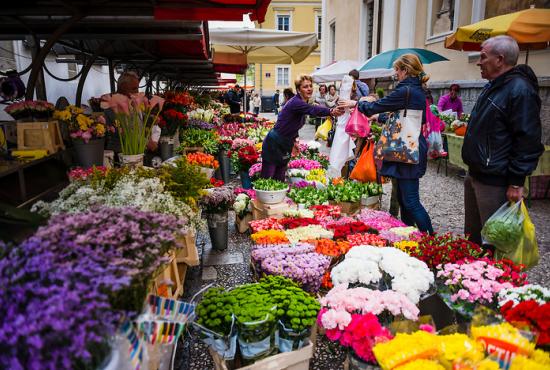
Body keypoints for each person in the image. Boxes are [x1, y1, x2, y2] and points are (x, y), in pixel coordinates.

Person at [462, 35, 543, 246]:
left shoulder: (520, 90)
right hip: (477, 174)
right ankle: (470, 277)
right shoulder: (494, 85)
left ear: (499, 59)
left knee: (495, 243)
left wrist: (516, 182)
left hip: (495, 181)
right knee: (473, 239)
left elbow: (528, 141)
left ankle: (493, 278)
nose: (479, 61)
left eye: (483, 57)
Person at [339, 54, 434, 234]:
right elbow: (403, 117)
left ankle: (430, 238)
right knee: (405, 200)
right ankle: (410, 234)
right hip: (409, 146)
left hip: (407, 149)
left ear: (405, 70)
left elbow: (378, 105)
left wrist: (357, 103)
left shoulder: (406, 90)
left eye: (397, 70)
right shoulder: (414, 90)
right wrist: (379, 117)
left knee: (411, 200)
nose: (395, 74)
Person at [261, 75, 343, 181]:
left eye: (310, 86)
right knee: (267, 178)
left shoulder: (302, 102)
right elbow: (312, 110)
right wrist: (330, 111)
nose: (309, 89)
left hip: (285, 143)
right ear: (299, 90)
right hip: (274, 143)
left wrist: (294, 141)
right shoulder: (296, 102)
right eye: (305, 87)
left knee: (279, 179)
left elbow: (293, 124)